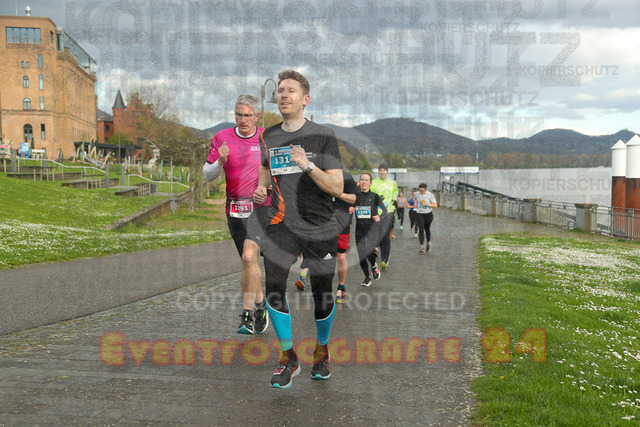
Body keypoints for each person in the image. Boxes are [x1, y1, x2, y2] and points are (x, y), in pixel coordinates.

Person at [253, 70, 343, 389]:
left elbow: (336, 186)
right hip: (281, 222)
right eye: (280, 90)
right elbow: (266, 167)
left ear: (305, 99)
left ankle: (321, 351)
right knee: (274, 285)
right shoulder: (268, 136)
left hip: (319, 224)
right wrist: (262, 187)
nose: (283, 94)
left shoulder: (323, 136)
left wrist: (309, 165)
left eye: (291, 90)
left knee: (322, 292)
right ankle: (288, 357)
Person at [203, 94, 270, 335]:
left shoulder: (267, 138)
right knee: (247, 260)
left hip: (261, 206)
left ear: (256, 116)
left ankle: (247, 315)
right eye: (238, 115)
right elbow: (208, 175)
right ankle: (261, 305)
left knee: (250, 256)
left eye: (247, 115)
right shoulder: (222, 138)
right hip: (234, 208)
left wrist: (266, 188)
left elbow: (280, 172)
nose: (242, 120)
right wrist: (220, 161)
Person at [354, 173, 386, 287]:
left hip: (372, 227)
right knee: (361, 254)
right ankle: (367, 277)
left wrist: (379, 217)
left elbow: (384, 210)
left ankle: (373, 265)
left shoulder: (374, 196)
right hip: (359, 227)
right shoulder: (355, 196)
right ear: (359, 182)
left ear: (370, 183)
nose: (364, 182)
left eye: (366, 180)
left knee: (369, 251)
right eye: (362, 179)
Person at [334, 170, 358, 303]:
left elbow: (355, 197)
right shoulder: (316, 172)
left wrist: (340, 195)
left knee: (340, 256)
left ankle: (341, 287)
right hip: (321, 221)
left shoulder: (346, 176)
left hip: (341, 222)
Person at [370, 163, 398, 269]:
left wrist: (394, 201)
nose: (382, 172)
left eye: (384, 170)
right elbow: (370, 194)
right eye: (380, 170)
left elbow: (395, 192)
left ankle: (385, 259)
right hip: (376, 212)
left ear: (387, 171)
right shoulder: (374, 182)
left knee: (385, 235)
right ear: (378, 171)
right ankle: (375, 248)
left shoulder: (393, 182)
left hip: (388, 211)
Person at [415, 183, 438, 253]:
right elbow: (415, 199)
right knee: (421, 229)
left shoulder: (430, 195)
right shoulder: (417, 194)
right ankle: (421, 246)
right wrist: (416, 205)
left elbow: (435, 205)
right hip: (419, 214)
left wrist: (427, 204)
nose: (421, 192)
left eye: (423, 191)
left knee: (427, 229)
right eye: (420, 190)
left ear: (425, 189)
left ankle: (428, 242)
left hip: (428, 214)